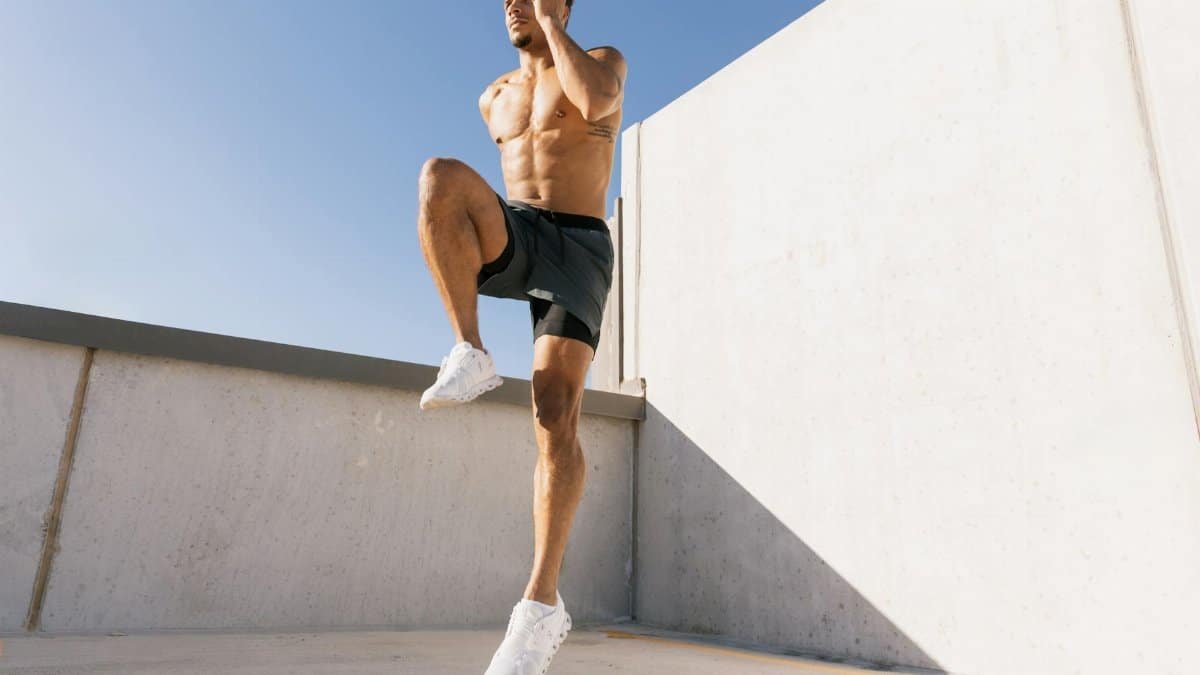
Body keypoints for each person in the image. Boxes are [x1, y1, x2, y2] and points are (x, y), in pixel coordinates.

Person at [415, 0, 627, 672]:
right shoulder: (494, 97)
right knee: (440, 180)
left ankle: (539, 607)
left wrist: (551, 27)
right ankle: (469, 349)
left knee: (554, 413)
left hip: (580, 248)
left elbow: (594, 108)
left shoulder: (599, 63)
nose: (512, 4)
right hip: (524, 235)